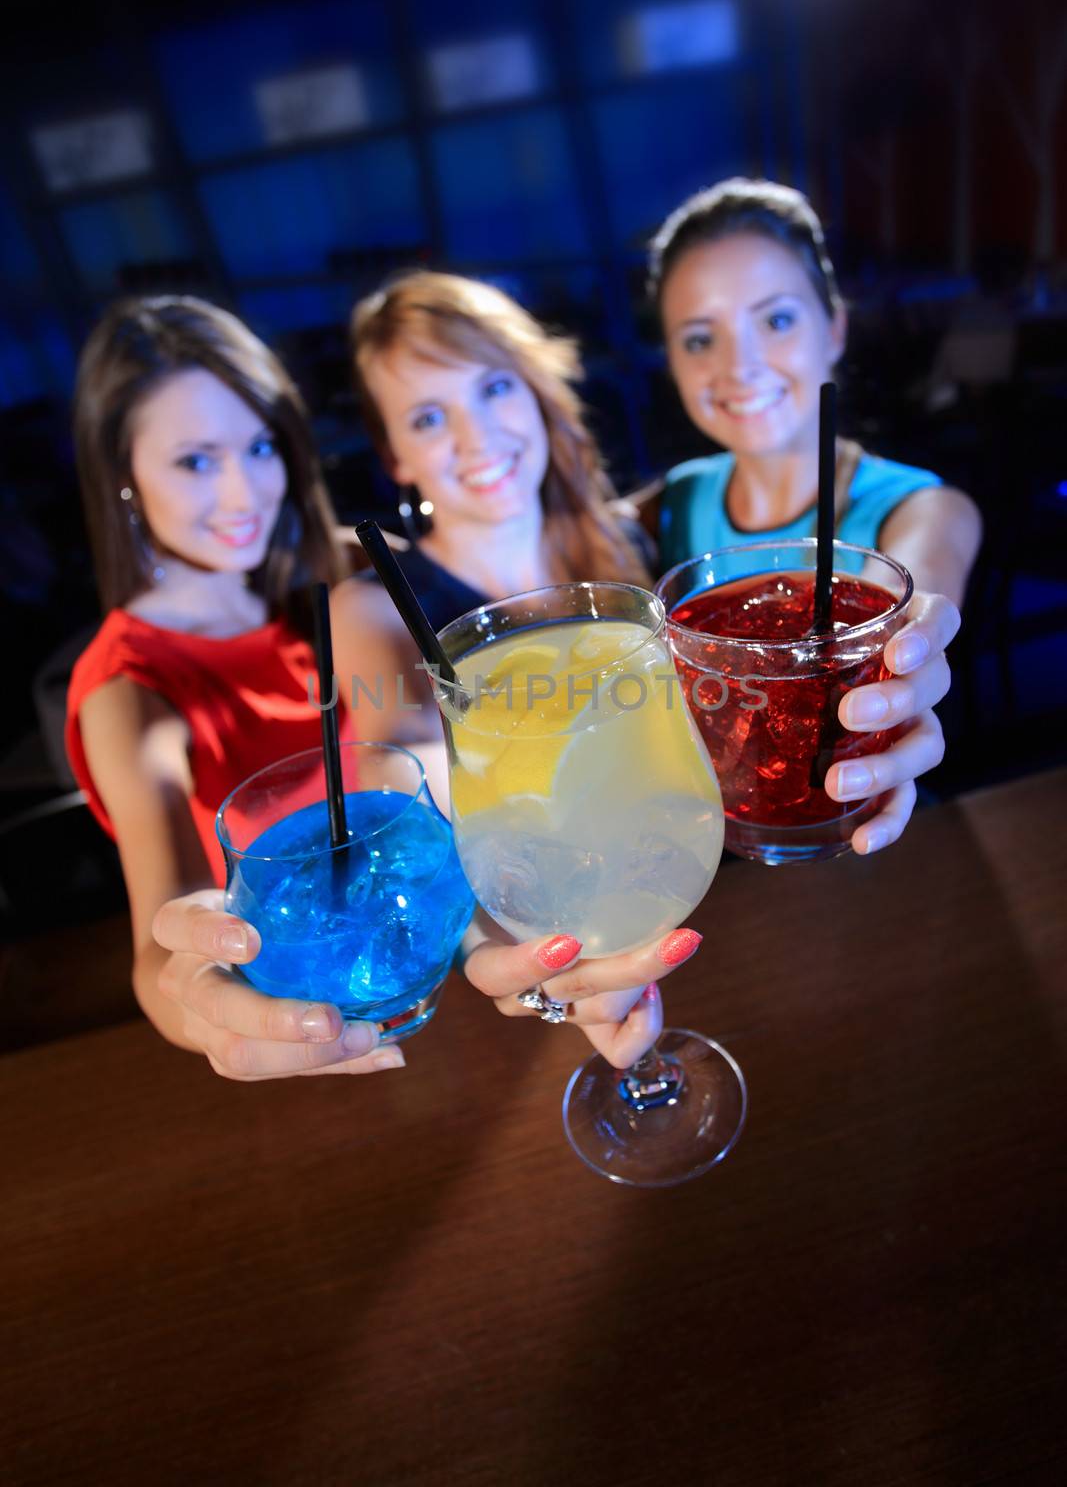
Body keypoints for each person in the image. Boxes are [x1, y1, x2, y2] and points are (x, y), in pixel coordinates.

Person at [66, 296, 687, 1083]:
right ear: (123, 476)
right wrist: (202, 998)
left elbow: (434, 789)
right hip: (328, 1016)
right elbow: (162, 952)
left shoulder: (360, 574)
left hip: (451, 962)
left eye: (259, 448)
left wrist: (506, 934)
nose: (242, 494)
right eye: (195, 461)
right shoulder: (128, 691)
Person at [650, 178, 983, 856]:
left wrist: (912, 661)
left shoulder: (922, 507)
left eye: (774, 320)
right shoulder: (673, 496)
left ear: (833, 326)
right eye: (697, 339)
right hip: (717, 846)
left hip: (883, 831)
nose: (737, 365)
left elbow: (921, 586)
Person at [329, 270, 651, 745]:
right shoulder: (375, 612)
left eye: (494, 388)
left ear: (536, 392)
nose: (477, 438)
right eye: (429, 418)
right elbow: (402, 753)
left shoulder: (625, 543)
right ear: (395, 456)